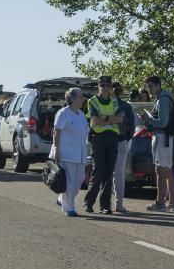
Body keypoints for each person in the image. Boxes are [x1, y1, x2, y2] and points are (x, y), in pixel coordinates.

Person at [84, 76, 123, 214]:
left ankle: (105, 206)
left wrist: (105, 119)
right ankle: (89, 202)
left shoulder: (115, 101)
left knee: (108, 172)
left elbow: (120, 118)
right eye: (103, 85)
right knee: (99, 171)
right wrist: (110, 120)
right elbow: (95, 121)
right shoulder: (92, 101)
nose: (105, 88)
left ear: (111, 87)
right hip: (98, 138)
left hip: (112, 138)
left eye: (108, 85)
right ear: (98, 87)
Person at [52, 87, 90, 217]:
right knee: (69, 182)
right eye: (80, 97)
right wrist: (57, 149)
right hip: (66, 153)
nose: (82, 99)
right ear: (72, 99)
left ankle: (61, 199)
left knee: (79, 180)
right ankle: (70, 208)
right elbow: (57, 132)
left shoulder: (82, 115)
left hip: (80, 154)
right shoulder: (63, 113)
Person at [142, 76, 174, 211]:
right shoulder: (161, 98)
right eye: (148, 86)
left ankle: (168, 203)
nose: (149, 89)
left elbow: (163, 122)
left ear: (158, 85)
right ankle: (163, 202)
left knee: (165, 170)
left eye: (151, 86)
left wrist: (149, 119)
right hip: (162, 138)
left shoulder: (163, 99)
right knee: (161, 170)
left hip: (163, 138)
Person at [112, 82, 135, 214]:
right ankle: (118, 204)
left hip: (110, 141)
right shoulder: (126, 106)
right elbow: (131, 127)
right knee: (119, 173)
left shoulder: (107, 105)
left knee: (108, 172)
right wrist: (126, 139)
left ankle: (105, 203)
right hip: (122, 141)